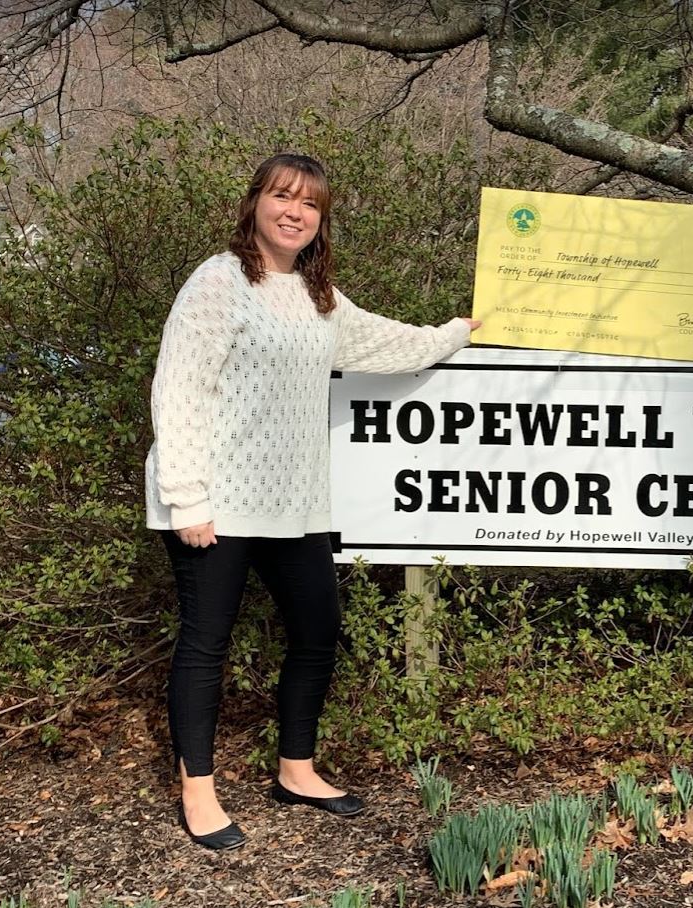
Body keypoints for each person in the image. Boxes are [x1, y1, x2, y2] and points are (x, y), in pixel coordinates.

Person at [145, 153, 479, 850]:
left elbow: (390, 344)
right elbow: (179, 388)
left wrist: (459, 333)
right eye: (281, 196)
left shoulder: (319, 295)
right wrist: (187, 498)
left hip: (293, 503)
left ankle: (296, 768)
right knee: (207, 645)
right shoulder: (218, 281)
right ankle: (198, 793)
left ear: (320, 220)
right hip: (214, 501)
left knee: (319, 630)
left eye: (309, 203)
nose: (294, 211)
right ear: (256, 203)